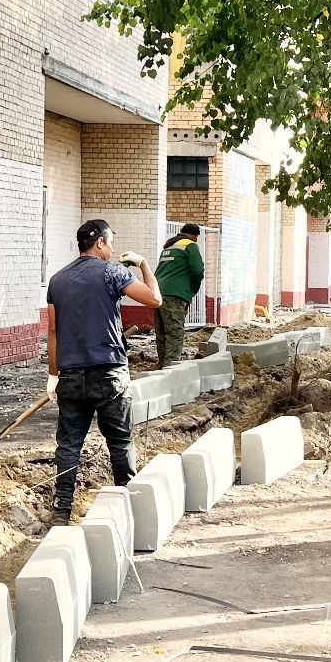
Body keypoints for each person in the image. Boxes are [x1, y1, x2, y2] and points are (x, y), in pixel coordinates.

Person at [47, 218, 161, 526]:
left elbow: (53, 331)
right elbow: (155, 299)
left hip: (71, 376)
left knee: (68, 445)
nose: (111, 249)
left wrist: (53, 374)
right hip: (109, 373)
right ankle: (129, 508)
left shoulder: (57, 280)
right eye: (110, 242)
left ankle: (61, 511)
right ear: (99, 242)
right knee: (120, 442)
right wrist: (144, 264)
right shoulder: (112, 272)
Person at [154, 222, 205, 365]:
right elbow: (198, 271)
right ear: (195, 237)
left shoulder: (168, 247)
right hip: (174, 294)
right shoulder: (190, 245)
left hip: (158, 292)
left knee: (162, 332)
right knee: (175, 333)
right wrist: (192, 290)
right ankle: (171, 368)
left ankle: (162, 365)